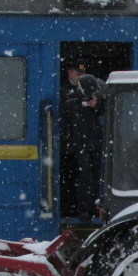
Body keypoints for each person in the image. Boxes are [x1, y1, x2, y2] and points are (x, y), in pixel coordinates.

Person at [60, 59, 105, 219]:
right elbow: (65, 116)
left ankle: (97, 207)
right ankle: (84, 210)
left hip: (95, 139)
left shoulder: (94, 88)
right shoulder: (65, 92)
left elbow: (106, 109)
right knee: (84, 175)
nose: (80, 76)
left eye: (82, 74)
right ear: (70, 72)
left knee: (99, 174)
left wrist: (97, 104)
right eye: (77, 73)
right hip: (78, 141)